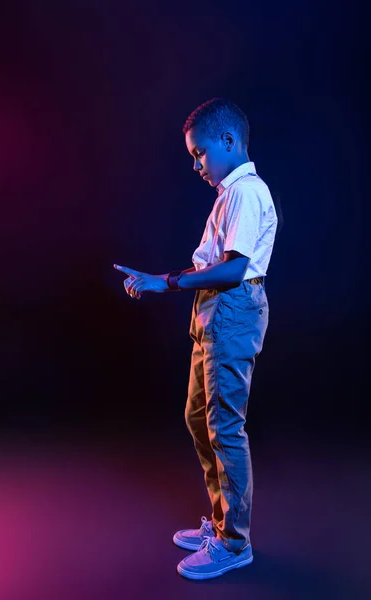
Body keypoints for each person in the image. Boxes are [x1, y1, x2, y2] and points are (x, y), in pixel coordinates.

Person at [113, 97, 278, 580]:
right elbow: (213, 269)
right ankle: (223, 522)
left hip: (232, 309)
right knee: (197, 416)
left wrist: (163, 281)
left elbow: (231, 271)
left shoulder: (247, 191)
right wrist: (165, 283)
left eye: (200, 152)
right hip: (212, 311)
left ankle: (234, 543)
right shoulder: (228, 195)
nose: (196, 164)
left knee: (224, 426)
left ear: (229, 141)